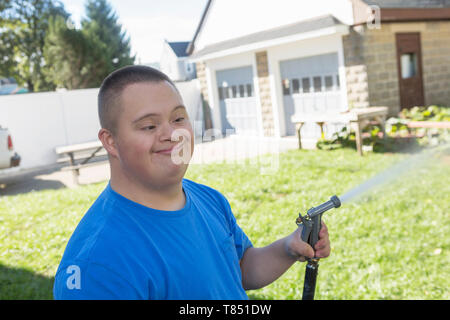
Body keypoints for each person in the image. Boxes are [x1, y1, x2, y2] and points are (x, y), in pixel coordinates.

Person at [53, 65, 331, 300]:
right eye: (149, 126)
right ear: (111, 142)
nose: (172, 134)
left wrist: (287, 248)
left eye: (178, 118)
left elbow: (240, 269)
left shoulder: (208, 199)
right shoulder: (98, 263)